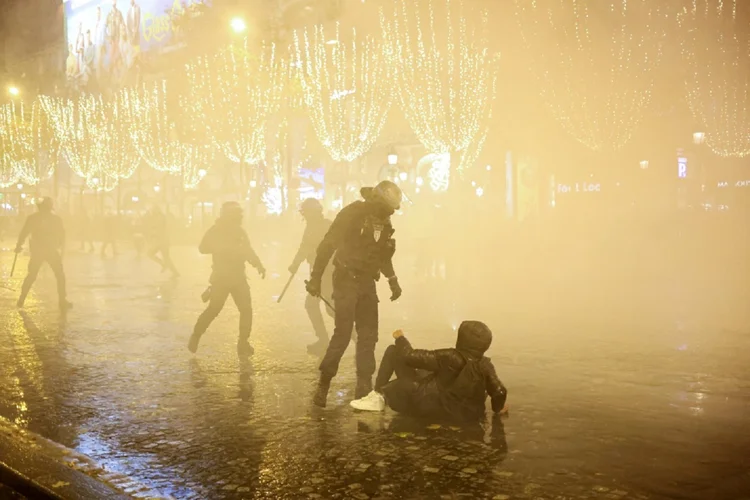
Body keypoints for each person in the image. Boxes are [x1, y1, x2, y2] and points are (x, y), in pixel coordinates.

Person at [306, 180, 404, 407]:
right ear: (378, 201)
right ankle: (324, 385)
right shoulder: (352, 214)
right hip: (346, 279)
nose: (390, 213)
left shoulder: (384, 221)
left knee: (368, 336)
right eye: (388, 208)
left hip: (367, 282)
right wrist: (315, 278)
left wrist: (392, 280)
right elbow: (327, 245)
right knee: (342, 334)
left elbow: (383, 254)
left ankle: (364, 386)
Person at [350, 322, 508, 421]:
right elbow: (499, 391)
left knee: (393, 351)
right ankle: (378, 396)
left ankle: (378, 396)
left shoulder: (451, 356)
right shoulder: (485, 365)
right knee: (420, 371)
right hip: (466, 415)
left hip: (432, 407)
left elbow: (409, 356)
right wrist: (498, 408)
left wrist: (400, 338)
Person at [188, 201, 266, 357]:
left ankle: (243, 343)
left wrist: (257, 264)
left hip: (238, 277)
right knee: (214, 310)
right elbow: (203, 248)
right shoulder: (216, 231)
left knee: (245, 310)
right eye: (235, 215)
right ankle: (196, 335)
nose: (238, 217)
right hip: (221, 278)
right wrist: (222, 248)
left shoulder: (239, 231)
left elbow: (247, 250)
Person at [288, 198, 334, 355]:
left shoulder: (323, 226)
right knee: (325, 307)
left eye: (307, 213)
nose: (305, 216)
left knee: (329, 308)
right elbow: (304, 247)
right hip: (319, 272)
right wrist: (295, 263)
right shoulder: (315, 226)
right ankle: (325, 340)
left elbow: (308, 247)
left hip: (325, 273)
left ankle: (352, 337)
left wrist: (296, 263)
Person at [15, 198, 72, 310]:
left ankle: (21, 299)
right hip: (50, 250)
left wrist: (19, 245)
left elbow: (24, 232)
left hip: (38, 250)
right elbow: (61, 235)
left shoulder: (33, 218)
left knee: (32, 275)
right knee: (59, 275)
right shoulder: (56, 219)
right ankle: (62, 300)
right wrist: (59, 245)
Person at [146, 206, 179, 277]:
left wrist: (153, 235)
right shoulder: (159, 217)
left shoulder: (159, 218)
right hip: (162, 241)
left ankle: (166, 266)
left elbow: (157, 228)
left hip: (161, 241)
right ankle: (173, 271)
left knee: (151, 254)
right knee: (166, 257)